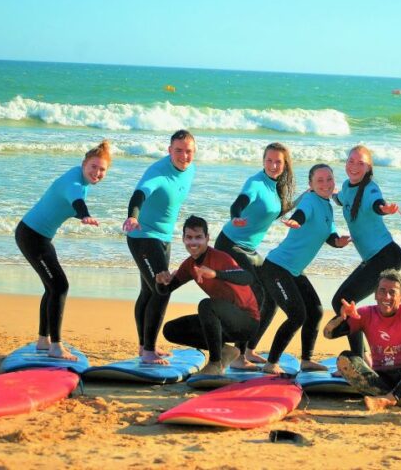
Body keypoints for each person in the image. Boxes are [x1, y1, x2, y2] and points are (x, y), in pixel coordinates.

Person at [15, 140, 111, 361]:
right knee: (59, 286)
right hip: (32, 236)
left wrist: (82, 214)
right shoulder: (75, 184)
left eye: (102, 169)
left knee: (52, 287)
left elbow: (69, 201)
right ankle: (55, 346)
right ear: (83, 164)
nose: (97, 173)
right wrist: (84, 214)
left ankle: (43, 340)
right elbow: (76, 199)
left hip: (35, 235)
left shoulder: (77, 175)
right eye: (93, 167)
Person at [260, 163, 351, 374]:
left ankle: (307, 360)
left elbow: (331, 237)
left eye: (329, 179)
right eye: (319, 180)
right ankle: (271, 363)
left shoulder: (327, 207)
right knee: (296, 315)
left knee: (315, 311)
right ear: (310, 184)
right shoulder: (310, 200)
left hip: (293, 271)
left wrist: (341, 241)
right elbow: (302, 213)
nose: (325, 184)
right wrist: (294, 221)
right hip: (276, 268)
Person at [215, 142, 295, 370]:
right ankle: (238, 357)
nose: (273, 165)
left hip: (249, 249)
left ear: (285, 164)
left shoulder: (275, 187)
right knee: (255, 292)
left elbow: (277, 210)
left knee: (272, 296)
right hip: (231, 245)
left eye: (278, 161)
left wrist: (304, 198)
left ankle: (249, 348)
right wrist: (236, 216)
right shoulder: (256, 183)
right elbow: (240, 202)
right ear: (263, 161)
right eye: (269, 160)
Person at [123, 129, 196, 364]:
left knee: (148, 291)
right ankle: (148, 351)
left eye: (188, 151)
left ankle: (145, 346)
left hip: (163, 238)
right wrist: (133, 216)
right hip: (142, 236)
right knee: (162, 288)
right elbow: (139, 195)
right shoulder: (157, 172)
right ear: (169, 150)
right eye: (178, 151)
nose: (184, 156)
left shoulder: (190, 169)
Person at [323, 269, 401, 411]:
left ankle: (391, 398)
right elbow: (328, 334)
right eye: (382, 291)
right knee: (344, 358)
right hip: (380, 379)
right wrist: (341, 318)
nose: (386, 296)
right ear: (375, 294)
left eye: (392, 292)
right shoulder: (365, 314)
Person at [155, 216, 260, 375]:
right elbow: (164, 290)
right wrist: (161, 281)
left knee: (207, 305)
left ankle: (215, 364)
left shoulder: (221, 258)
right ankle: (226, 352)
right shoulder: (189, 265)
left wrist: (216, 273)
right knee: (171, 330)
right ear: (183, 238)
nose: (193, 243)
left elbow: (247, 278)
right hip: (222, 323)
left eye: (198, 237)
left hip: (246, 323)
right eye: (189, 237)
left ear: (207, 238)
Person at [331, 145, 401, 359]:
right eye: (351, 161)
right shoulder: (346, 186)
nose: (354, 166)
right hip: (376, 257)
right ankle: (364, 353)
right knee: (347, 302)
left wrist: (384, 209)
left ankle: (360, 357)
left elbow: (376, 204)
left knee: (343, 301)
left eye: (360, 163)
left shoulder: (371, 188)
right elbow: (340, 198)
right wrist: (323, 191)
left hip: (386, 255)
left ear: (368, 167)